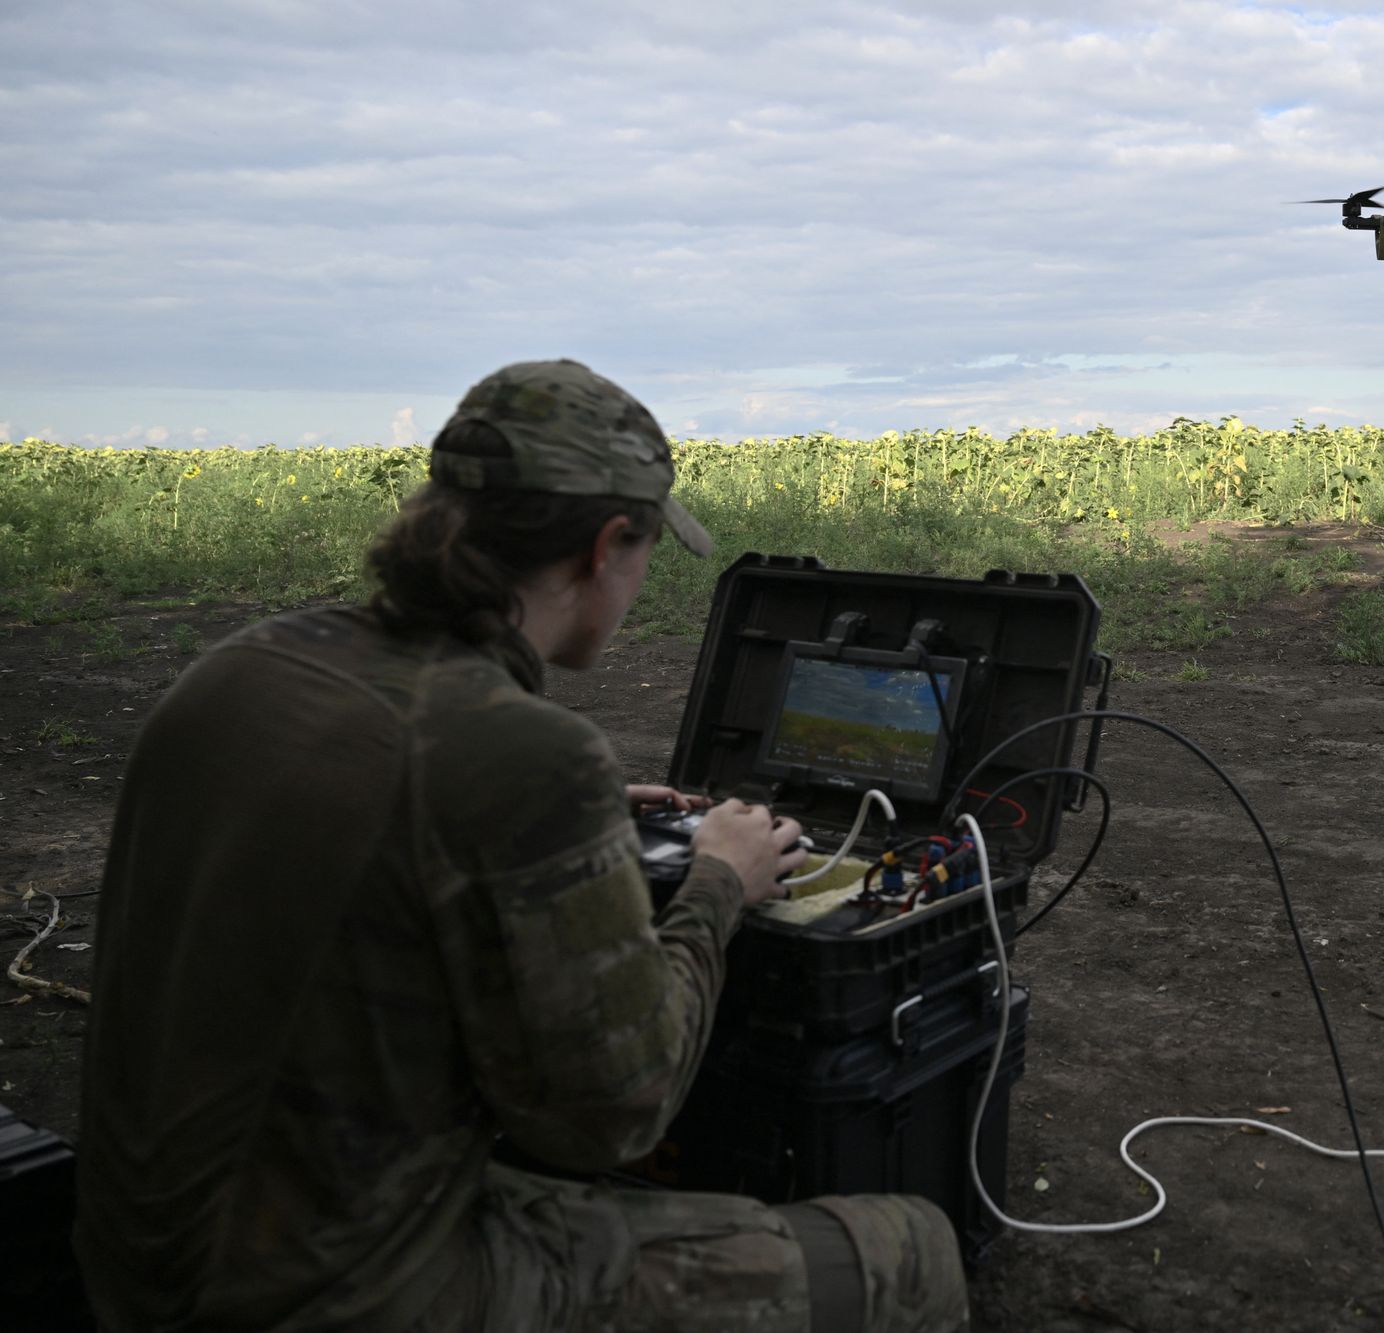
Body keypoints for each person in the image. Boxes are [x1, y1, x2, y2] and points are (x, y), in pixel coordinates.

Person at [74, 360, 970, 1332]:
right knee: (910, 1251)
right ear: (602, 548)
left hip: (137, 1254)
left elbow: (370, 824)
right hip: (338, 1293)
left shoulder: (241, 666)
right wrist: (718, 879)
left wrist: (562, 818)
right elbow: (614, 1115)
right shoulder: (521, 757)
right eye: (643, 555)